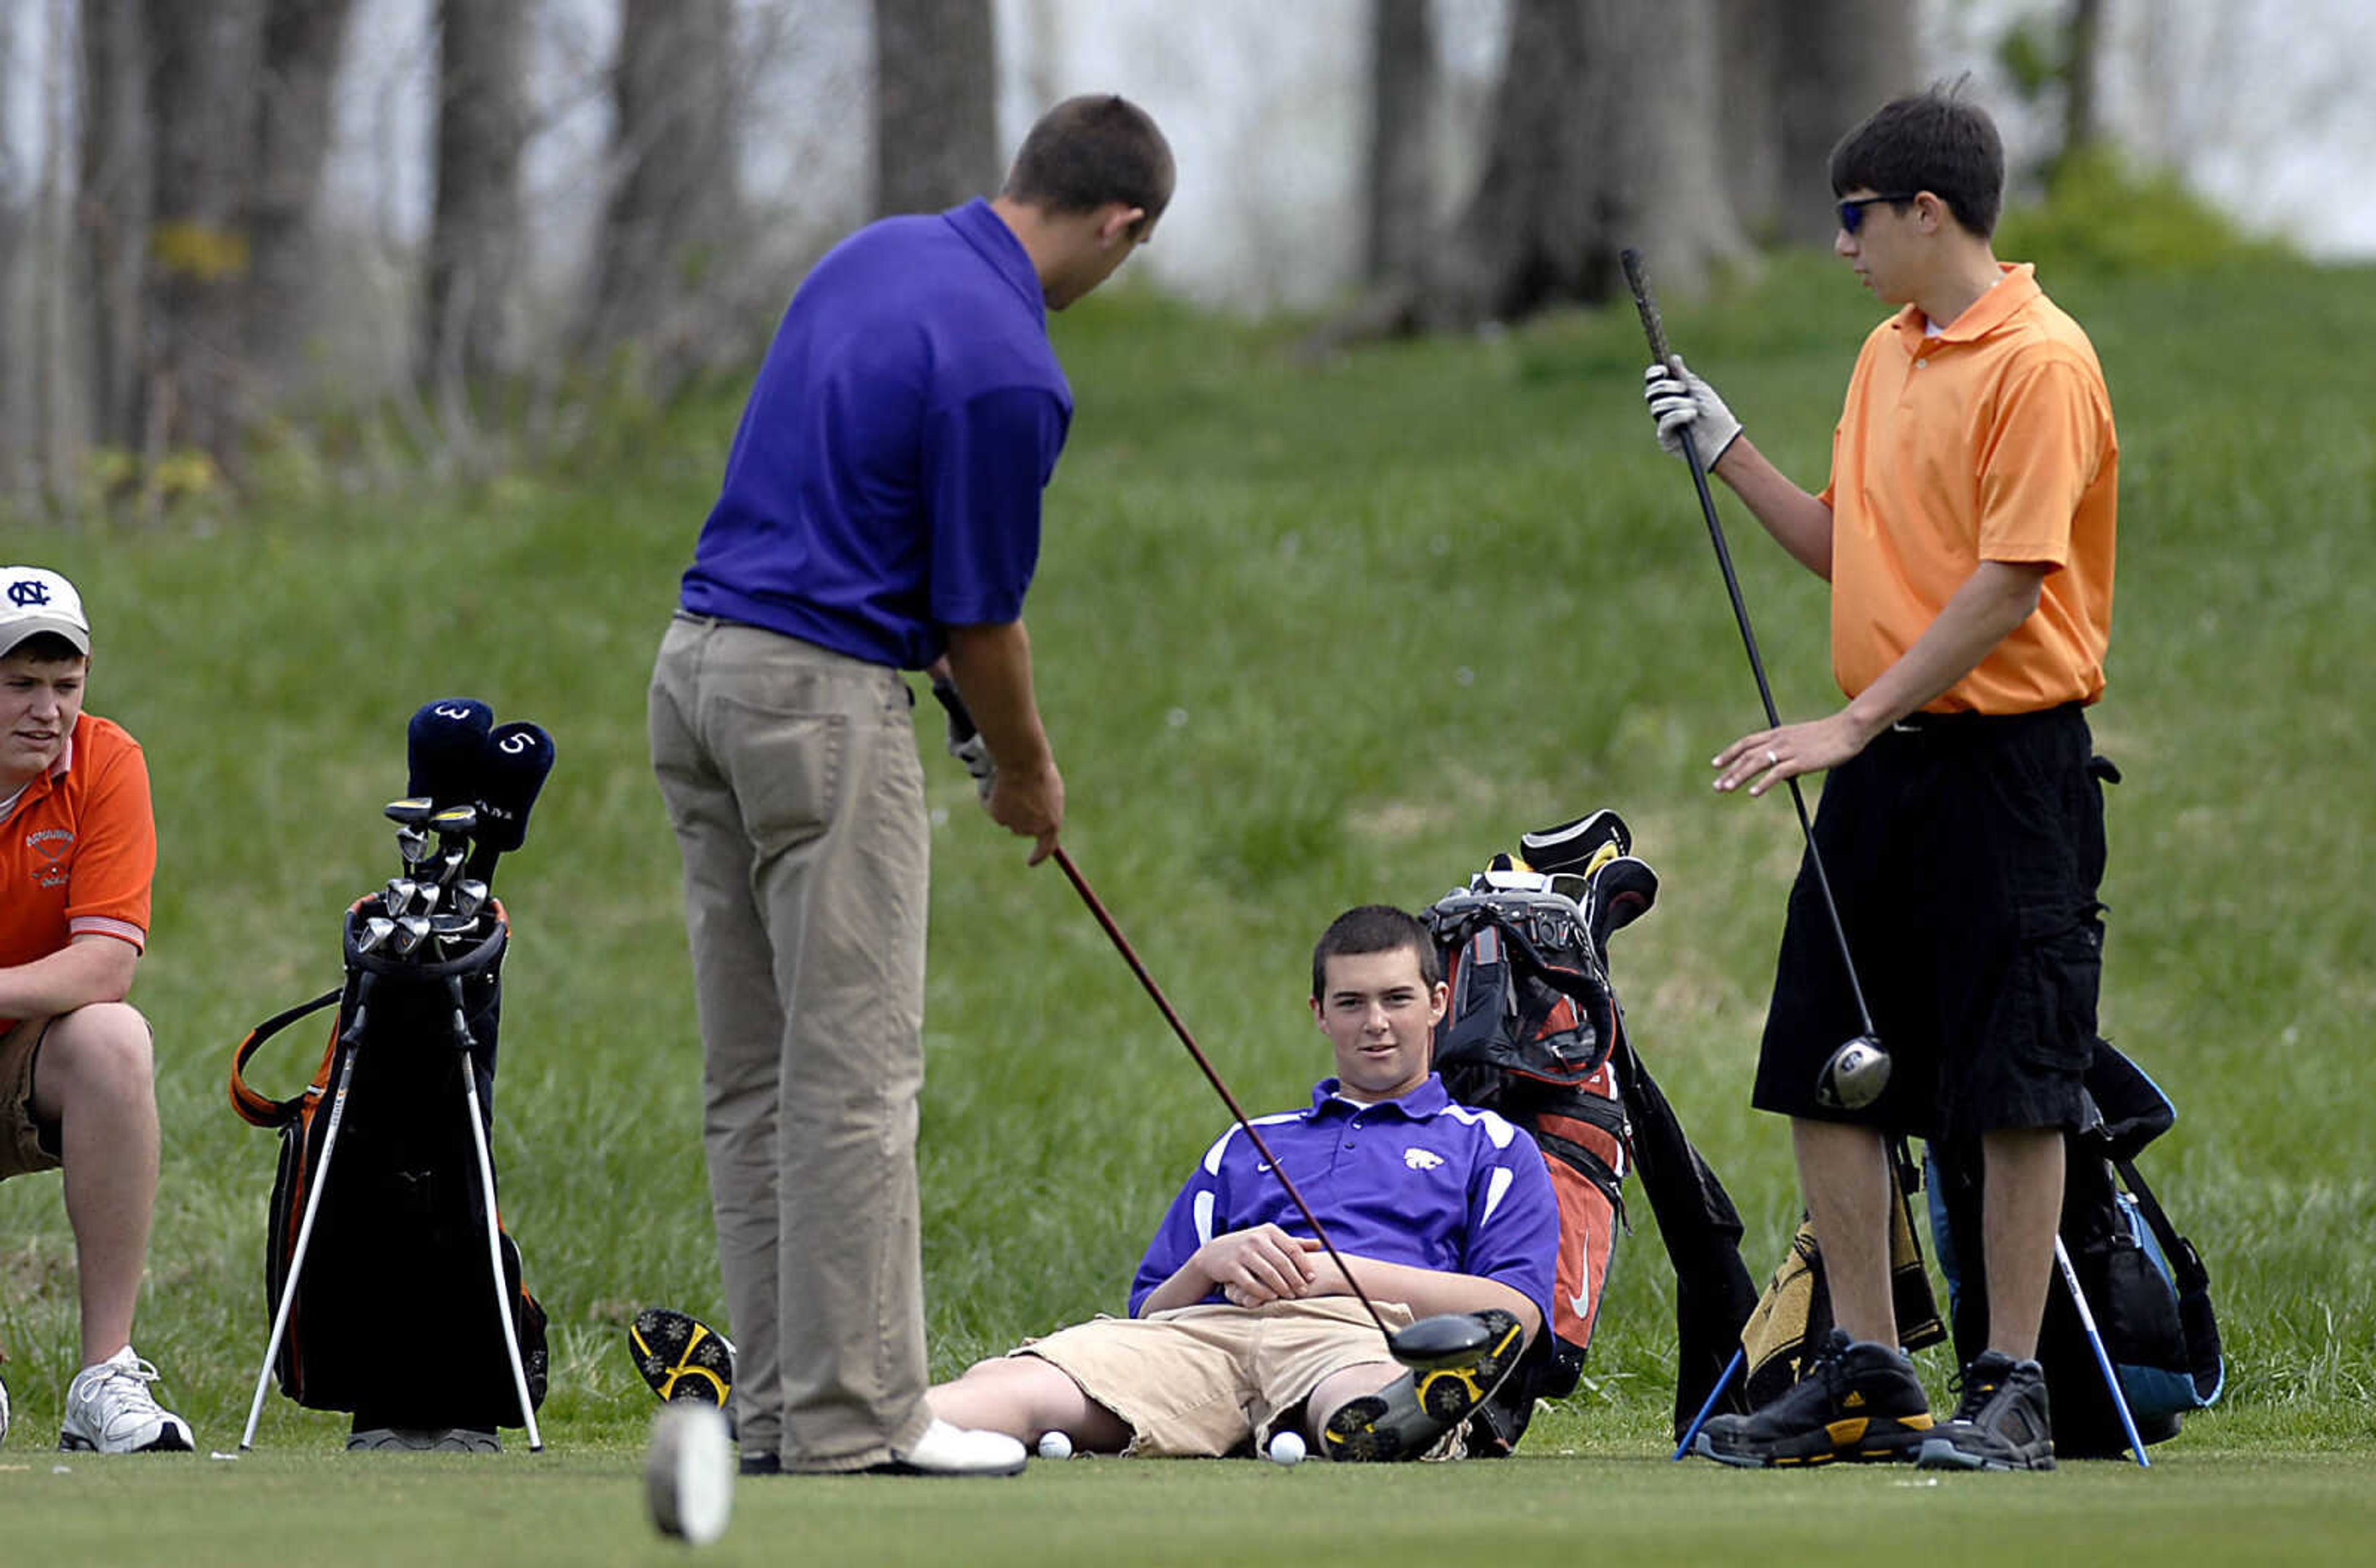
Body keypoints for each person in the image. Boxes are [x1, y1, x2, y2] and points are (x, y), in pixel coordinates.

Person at [647, 95, 1174, 1478]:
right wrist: (1027, 771)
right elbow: (981, 623)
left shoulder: (871, 255)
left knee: (756, 1078)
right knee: (855, 1080)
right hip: (818, 702)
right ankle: (858, 1420)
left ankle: (777, 1413)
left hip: (695, 674)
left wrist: (960, 707)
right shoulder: (1014, 365)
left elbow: (879, 537)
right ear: (1119, 222)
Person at [1642, 86, 2118, 1473]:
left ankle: (2014, 1382)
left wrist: (1851, 718)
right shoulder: (1885, 354)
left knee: (2016, 1077)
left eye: (1856, 219)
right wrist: (1725, 449)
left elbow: (2012, 585)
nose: (1842, 243)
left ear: (1928, 211)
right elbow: (1853, 547)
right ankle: (1867, 1371)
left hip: (2009, 765)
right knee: (1820, 1062)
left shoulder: (2043, 360)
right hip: (1886, 765)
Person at [927, 905, 1557, 1462]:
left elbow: (1515, 1312)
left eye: (1397, 998)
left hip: (1357, 1333)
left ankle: (1391, 1420)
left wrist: (1335, 1272)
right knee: (1021, 1380)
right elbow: (1150, 1311)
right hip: (1207, 1337)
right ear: (1319, 1013)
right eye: (1350, 1002)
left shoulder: (1492, 1144)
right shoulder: (1248, 1141)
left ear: (1439, 1003)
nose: (1376, 1022)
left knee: (1359, 1394)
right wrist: (1208, 1260)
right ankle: (874, 1425)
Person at [1, 566, 194, 1454]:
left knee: (117, 1039)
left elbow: (104, 966)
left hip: (27, 1055)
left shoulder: (108, 761)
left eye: (65, 686)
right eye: (20, 685)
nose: (48, 709)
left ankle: (103, 1374)